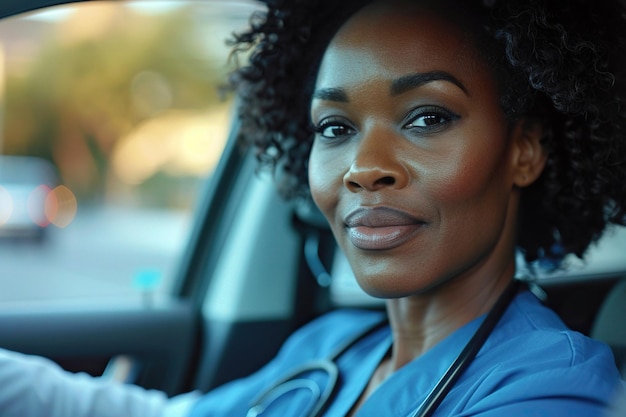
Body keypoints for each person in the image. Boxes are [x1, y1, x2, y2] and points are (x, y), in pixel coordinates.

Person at [0, 0, 624, 416]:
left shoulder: (550, 387)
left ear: (525, 151)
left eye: (428, 117)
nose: (361, 167)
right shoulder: (331, 347)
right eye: (334, 128)